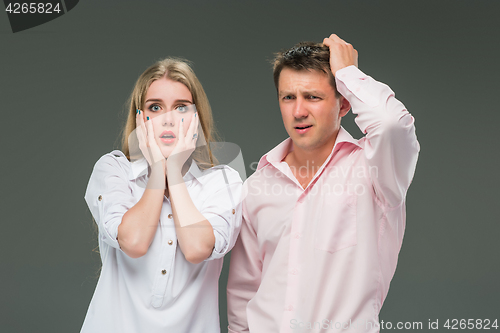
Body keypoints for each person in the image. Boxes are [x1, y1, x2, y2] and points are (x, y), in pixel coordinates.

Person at [226, 34, 419, 333]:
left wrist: (347, 74)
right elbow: (243, 291)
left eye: (313, 97)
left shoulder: (375, 171)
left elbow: (392, 124)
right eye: (288, 97)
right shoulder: (257, 185)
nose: (298, 111)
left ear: (343, 105)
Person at [81, 58, 242, 333]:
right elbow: (133, 241)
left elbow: (196, 248)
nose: (168, 119)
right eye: (155, 107)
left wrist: (174, 170)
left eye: (181, 107)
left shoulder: (223, 181)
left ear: (196, 118)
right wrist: (158, 168)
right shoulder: (113, 169)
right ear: (139, 118)